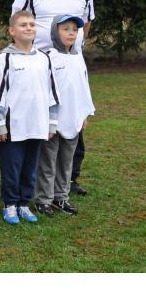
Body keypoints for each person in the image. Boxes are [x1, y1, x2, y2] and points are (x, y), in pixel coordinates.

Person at [11, 0, 94, 195]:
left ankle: (69, 179)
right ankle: (37, 181)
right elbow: (18, 22)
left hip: (71, 62)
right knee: (44, 121)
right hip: (39, 65)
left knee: (73, 118)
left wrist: (74, 47)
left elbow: (86, 24)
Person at [0, 10, 60, 225]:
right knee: (12, 167)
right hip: (14, 125)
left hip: (37, 123)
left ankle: (24, 203)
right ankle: (10, 204)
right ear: (12, 31)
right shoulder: (5, 57)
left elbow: (52, 92)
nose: (29, 28)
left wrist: (52, 122)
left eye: (32, 24)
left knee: (30, 167)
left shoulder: (43, 58)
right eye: (23, 25)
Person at [35, 15, 95, 217]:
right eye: (66, 29)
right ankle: (44, 199)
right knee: (48, 162)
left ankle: (61, 197)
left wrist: (84, 114)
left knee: (66, 162)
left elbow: (83, 87)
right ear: (55, 32)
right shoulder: (47, 58)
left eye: (74, 30)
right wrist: (46, 118)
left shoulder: (78, 58)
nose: (71, 33)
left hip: (73, 119)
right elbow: (43, 90)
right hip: (52, 121)